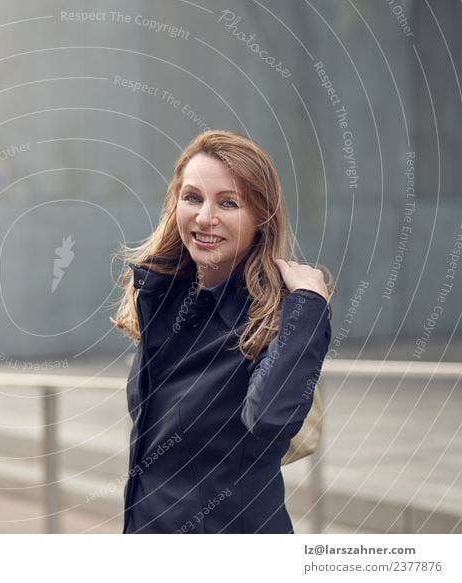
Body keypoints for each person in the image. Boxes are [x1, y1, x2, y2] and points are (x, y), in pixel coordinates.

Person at [111, 129, 335, 534]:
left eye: (228, 203)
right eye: (192, 197)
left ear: (260, 221)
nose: (204, 217)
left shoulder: (276, 317)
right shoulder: (162, 298)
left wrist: (308, 304)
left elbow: (269, 420)